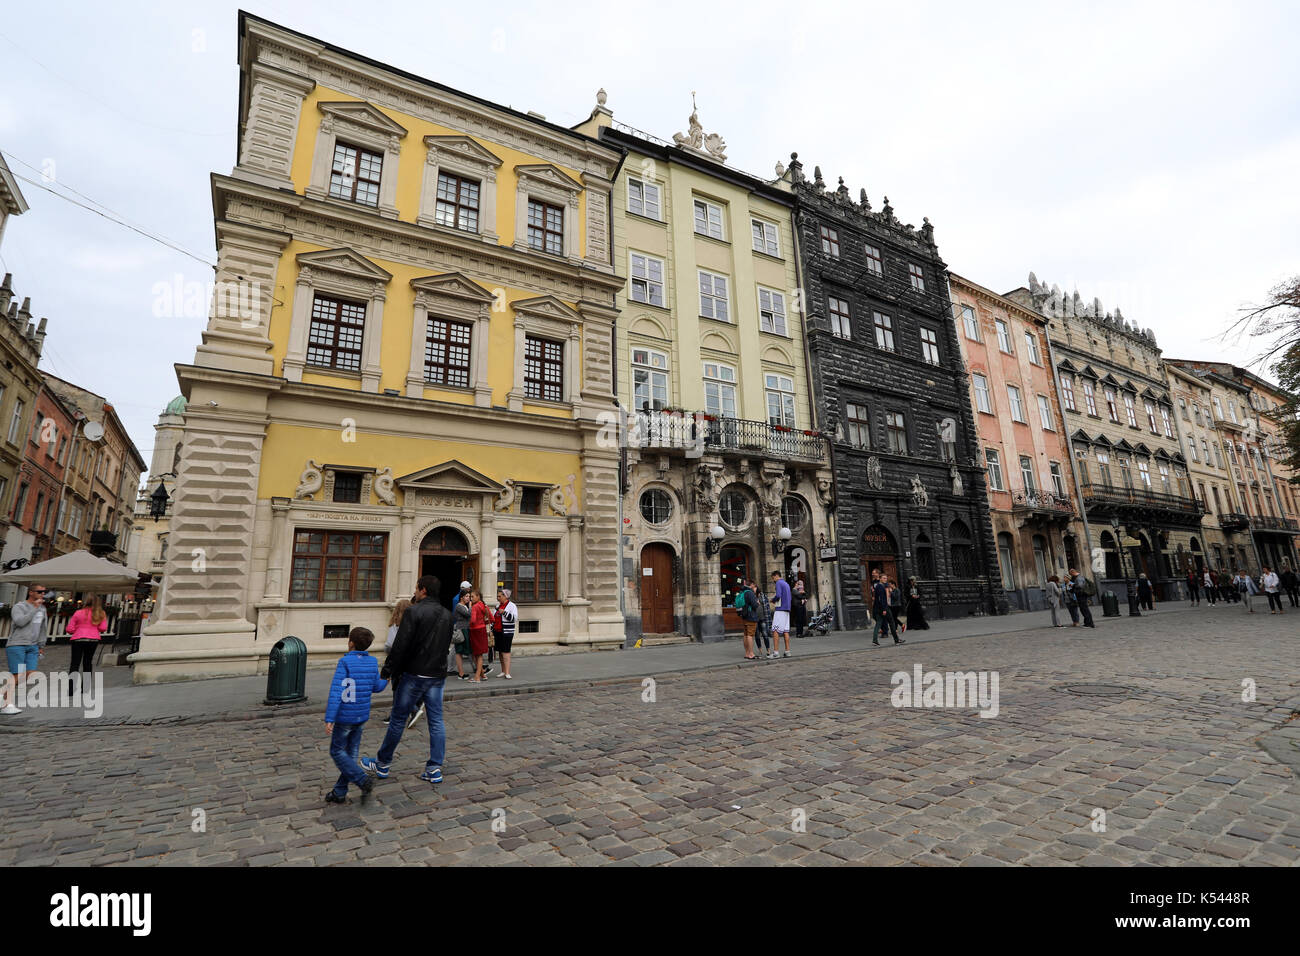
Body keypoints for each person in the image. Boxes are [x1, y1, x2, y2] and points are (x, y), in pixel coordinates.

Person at [362, 575, 454, 786]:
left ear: (423, 590)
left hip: (414, 674)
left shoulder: (414, 611)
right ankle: (434, 768)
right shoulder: (448, 615)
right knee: (437, 721)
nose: (415, 592)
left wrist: (386, 672)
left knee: (397, 719)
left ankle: (383, 763)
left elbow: (400, 645)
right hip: (437, 675)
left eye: (416, 588)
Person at [324, 626, 386, 804]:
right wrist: (386, 680)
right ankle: (339, 791)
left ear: (350, 643)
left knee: (336, 751)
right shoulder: (372, 662)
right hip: (361, 715)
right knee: (351, 754)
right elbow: (377, 687)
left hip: (345, 716)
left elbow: (337, 691)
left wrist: (330, 718)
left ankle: (361, 779)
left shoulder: (345, 662)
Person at [4, 584, 49, 715]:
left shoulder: (43, 609)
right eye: (39, 592)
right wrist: (34, 608)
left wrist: (41, 645)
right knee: (18, 674)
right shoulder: (19, 607)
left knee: (29, 674)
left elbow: (43, 628)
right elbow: (20, 622)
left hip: (33, 646)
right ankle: (7, 704)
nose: (42, 594)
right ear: (31, 592)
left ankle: (3, 695)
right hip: (17, 644)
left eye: (44, 592)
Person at [65, 594, 109, 692]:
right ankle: (85, 687)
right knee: (87, 662)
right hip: (93, 639)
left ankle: (71, 689)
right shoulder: (101, 613)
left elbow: (69, 629)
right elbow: (103, 628)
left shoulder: (78, 612)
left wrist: (78, 629)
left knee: (75, 663)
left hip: (78, 639)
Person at [871, 574, 904, 645]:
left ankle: (875, 640)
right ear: (880, 579)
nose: (885, 580)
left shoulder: (877, 587)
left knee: (878, 623)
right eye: (884, 578)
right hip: (884, 608)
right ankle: (896, 640)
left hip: (878, 608)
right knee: (891, 622)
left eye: (886, 578)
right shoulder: (881, 587)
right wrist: (884, 609)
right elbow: (881, 599)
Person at [492, 588, 518, 679]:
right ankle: (503, 671)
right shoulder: (497, 606)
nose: (498, 598)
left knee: (506, 652)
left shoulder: (512, 606)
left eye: (499, 596)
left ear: (505, 596)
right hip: (497, 632)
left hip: (507, 632)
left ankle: (507, 672)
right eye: (497, 596)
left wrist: (504, 612)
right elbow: (494, 619)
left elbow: (514, 618)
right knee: (500, 652)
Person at [468, 589, 491, 682]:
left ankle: (477, 677)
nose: (471, 599)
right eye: (470, 597)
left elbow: (473, 620)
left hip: (475, 631)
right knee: (477, 654)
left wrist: (469, 623)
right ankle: (482, 675)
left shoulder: (475, 606)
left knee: (478, 654)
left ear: (478, 596)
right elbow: (491, 618)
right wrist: (482, 622)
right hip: (482, 630)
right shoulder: (484, 605)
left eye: (472, 596)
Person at [770, 570, 792, 658]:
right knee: (785, 631)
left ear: (776, 576)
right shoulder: (786, 584)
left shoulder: (778, 583)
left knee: (775, 630)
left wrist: (773, 600)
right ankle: (787, 651)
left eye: (773, 578)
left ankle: (775, 653)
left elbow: (778, 595)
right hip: (787, 609)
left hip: (780, 609)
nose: (773, 580)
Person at [738, 578, 760, 660]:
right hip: (751, 616)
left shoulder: (743, 592)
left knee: (746, 635)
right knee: (750, 635)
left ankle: (747, 653)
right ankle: (751, 653)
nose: (755, 588)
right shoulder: (750, 593)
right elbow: (754, 605)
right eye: (754, 586)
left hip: (744, 616)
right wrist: (757, 602)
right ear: (751, 585)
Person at [452, 591, 471, 679]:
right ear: (461, 597)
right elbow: (468, 614)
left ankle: (479, 669)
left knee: (465, 651)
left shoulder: (464, 606)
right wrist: (471, 606)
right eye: (466, 596)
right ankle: (461, 673)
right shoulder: (459, 606)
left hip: (465, 629)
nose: (468, 598)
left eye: (469, 596)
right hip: (461, 630)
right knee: (459, 651)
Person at [754, 580, 775, 659]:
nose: (754, 589)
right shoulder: (752, 596)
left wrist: (759, 602)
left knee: (765, 634)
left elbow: (767, 606)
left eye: (755, 587)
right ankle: (760, 651)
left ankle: (768, 650)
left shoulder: (762, 595)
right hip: (755, 619)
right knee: (757, 635)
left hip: (763, 618)